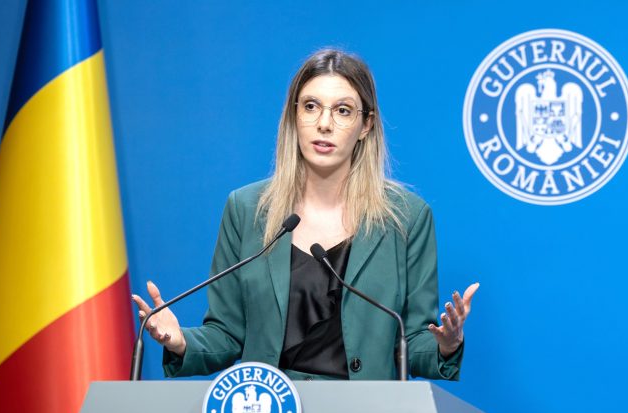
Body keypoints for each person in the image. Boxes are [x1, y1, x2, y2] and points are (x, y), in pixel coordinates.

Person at [132, 48, 479, 381]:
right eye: (311, 106)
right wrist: (181, 342)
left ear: (366, 125)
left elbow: (412, 342)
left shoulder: (406, 218)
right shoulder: (246, 209)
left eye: (343, 110)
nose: (324, 124)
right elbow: (227, 334)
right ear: (294, 116)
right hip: (271, 412)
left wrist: (446, 345)